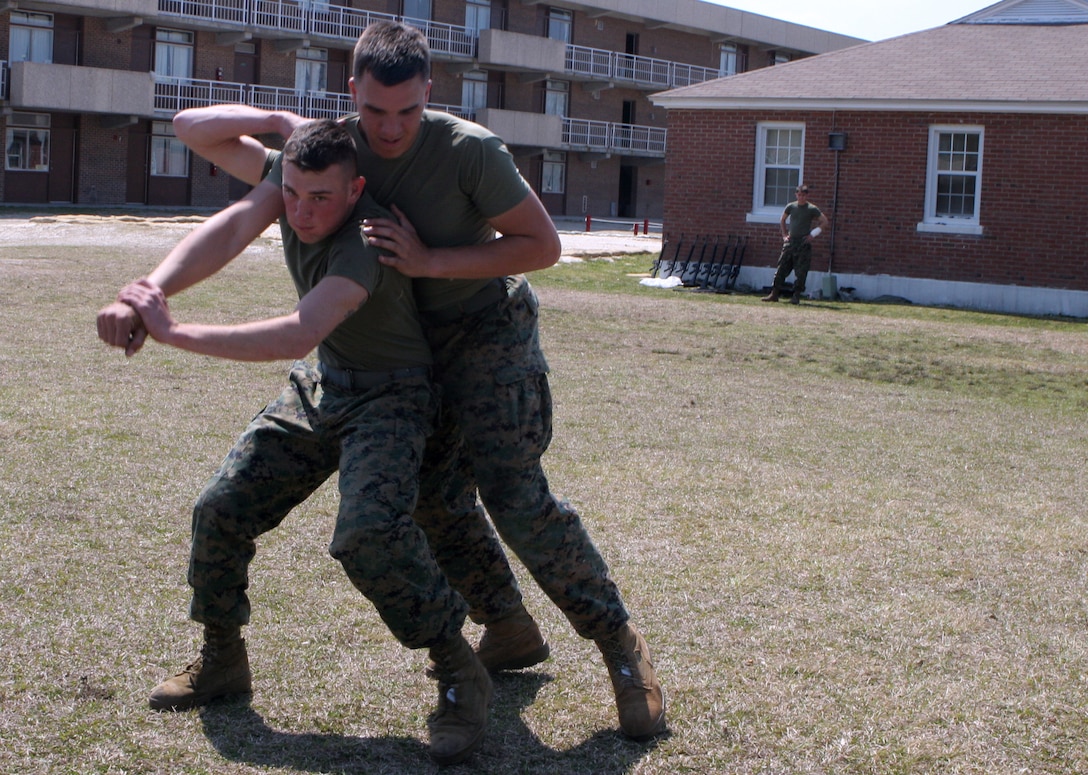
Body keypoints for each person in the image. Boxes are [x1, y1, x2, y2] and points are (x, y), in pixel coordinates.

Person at [170, 19, 665, 741]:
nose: (391, 127)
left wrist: (431, 261)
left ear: (430, 93)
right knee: (431, 496)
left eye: (407, 111)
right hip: (393, 348)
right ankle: (505, 624)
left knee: (513, 492)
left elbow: (543, 245)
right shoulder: (332, 150)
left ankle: (621, 648)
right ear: (351, 94)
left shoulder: (470, 151)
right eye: (374, 111)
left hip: (481, 330)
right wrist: (280, 119)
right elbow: (202, 135)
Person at [97, 119, 491, 766]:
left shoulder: (369, 236)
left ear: (356, 187)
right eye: (294, 197)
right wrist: (147, 293)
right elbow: (224, 223)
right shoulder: (292, 185)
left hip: (394, 395)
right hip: (328, 384)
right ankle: (223, 659)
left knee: (368, 533)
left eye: (322, 200)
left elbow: (296, 333)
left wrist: (171, 331)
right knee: (221, 506)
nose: (303, 214)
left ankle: (457, 669)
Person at [762, 184, 830, 304]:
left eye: (803, 195)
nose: (801, 198)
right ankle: (774, 293)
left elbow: (824, 222)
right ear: (796, 195)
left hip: (803, 243)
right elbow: (782, 219)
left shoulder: (812, 209)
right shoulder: (791, 206)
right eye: (799, 195)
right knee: (782, 267)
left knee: (801, 271)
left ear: (807, 195)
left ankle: (796, 296)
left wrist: (813, 234)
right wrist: (784, 235)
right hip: (791, 242)